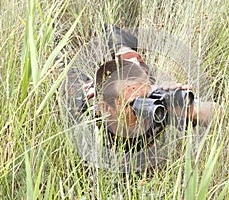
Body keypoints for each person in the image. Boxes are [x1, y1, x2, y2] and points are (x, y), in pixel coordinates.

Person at [64, 24, 220, 172]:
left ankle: (116, 37)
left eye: (147, 97)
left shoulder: (155, 103)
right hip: (92, 95)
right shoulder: (93, 131)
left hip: (136, 82)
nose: (143, 112)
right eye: (133, 105)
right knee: (69, 76)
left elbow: (219, 113)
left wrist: (190, 111)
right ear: (107, 109)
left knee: (128, 56)